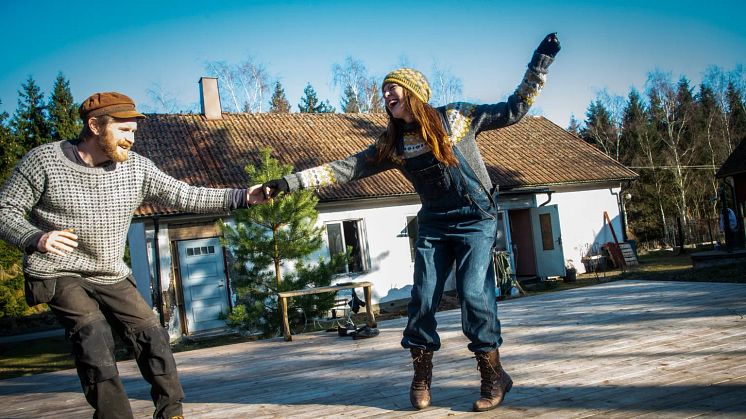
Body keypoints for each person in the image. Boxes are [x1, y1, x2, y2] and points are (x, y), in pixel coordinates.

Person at [262, 33, 560, 411]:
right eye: (384, 91)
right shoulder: (393, 144)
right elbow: (344, 168)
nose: (386, 96)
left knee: (473, 295)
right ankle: (421, 376)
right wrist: (287, 183)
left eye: (393, 89)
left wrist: (540, 63)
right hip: (435, 224)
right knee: (421, 301)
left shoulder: (457, 118)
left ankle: (492, 375)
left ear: (413, 93)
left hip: (475, 220)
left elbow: (515, 109)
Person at [0, 92, 266, 419]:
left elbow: (186, 195)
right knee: (92, 330)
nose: (131, 139)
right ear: (95, 126)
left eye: (134, 132)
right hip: (59, 270)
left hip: (109, 270)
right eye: (124, 130)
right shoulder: (43, 161)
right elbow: (5, 209)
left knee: (151, 332)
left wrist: (243, 196)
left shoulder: (137, 168)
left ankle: (172, 413)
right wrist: (35, 237)